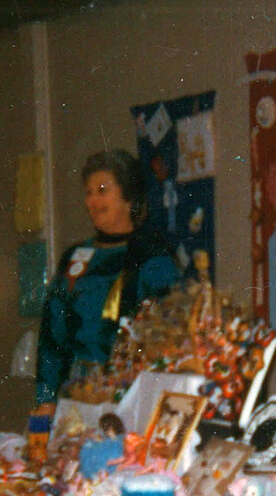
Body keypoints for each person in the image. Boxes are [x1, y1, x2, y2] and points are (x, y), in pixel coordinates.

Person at [34, 149, 180, 410]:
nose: (91, 200)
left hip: (128, 398)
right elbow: (52, 336)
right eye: (88, 192)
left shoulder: (152, 257)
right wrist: (46, 399)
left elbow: (165, 340)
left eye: (102, 190)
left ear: (128, 197)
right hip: (75, 396)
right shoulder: (76, 258)